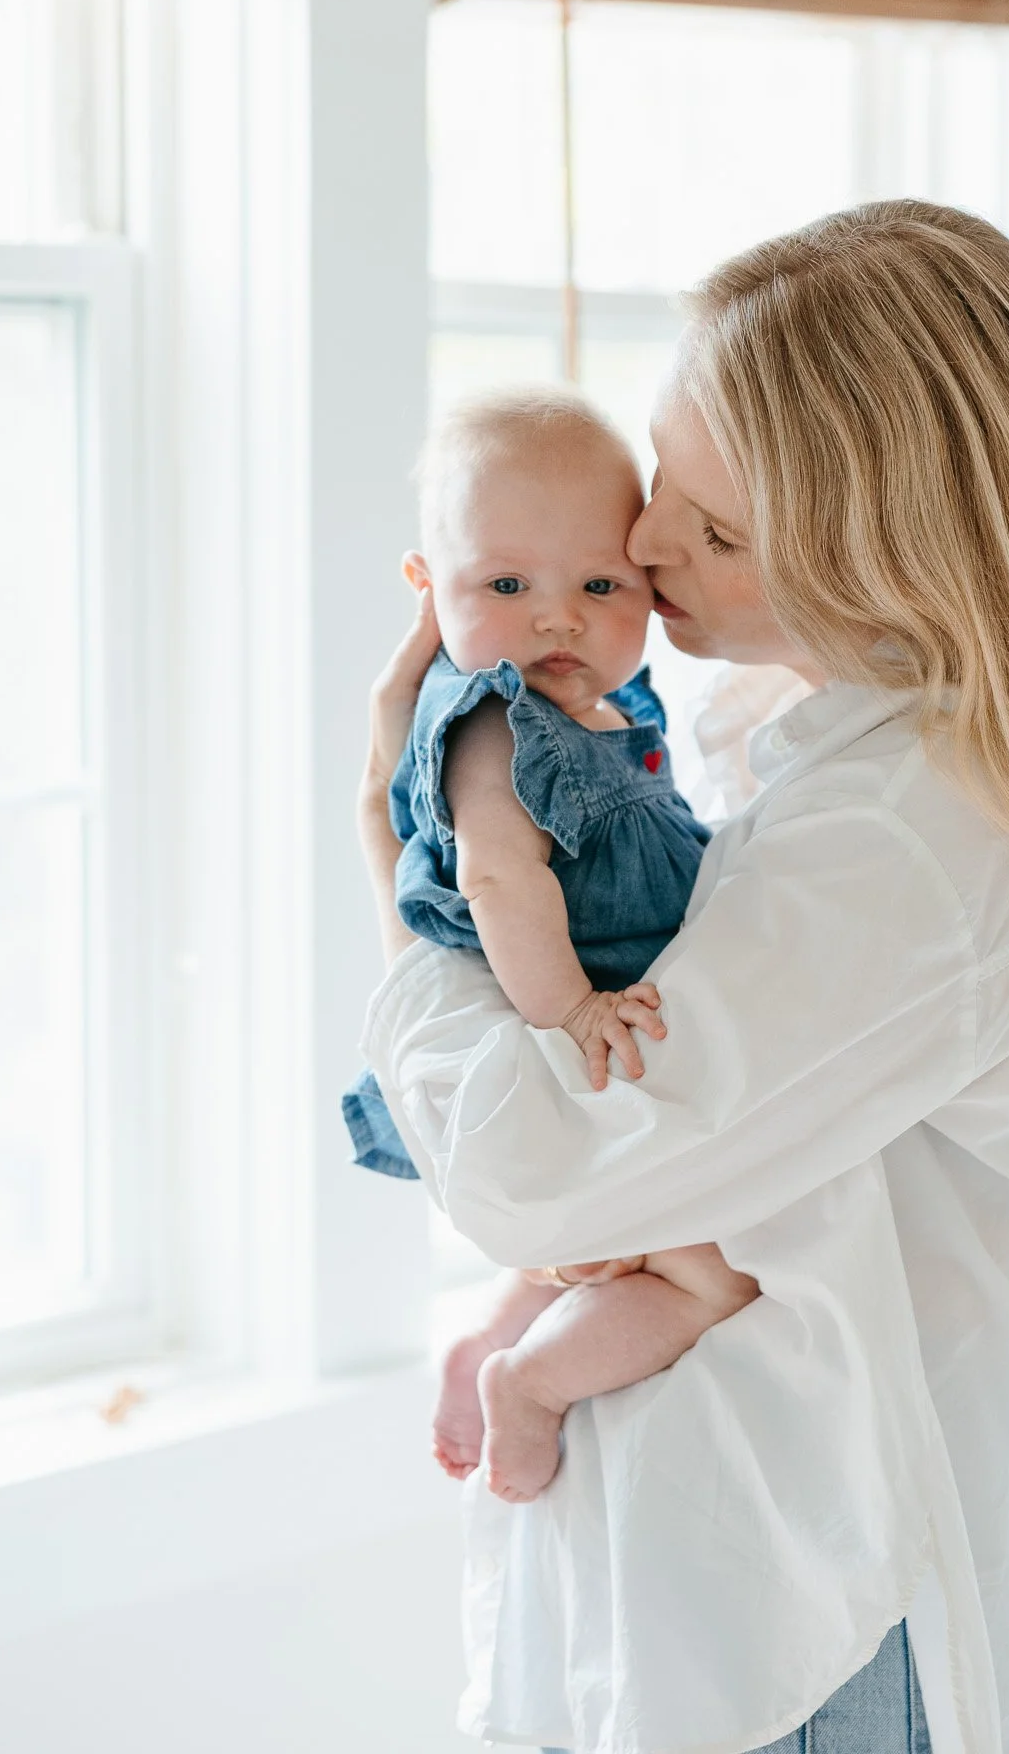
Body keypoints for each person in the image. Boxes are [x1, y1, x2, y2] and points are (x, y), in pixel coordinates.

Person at [358, 203, 1009, 1754]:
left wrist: (400, 875)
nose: (638, 550)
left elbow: (539, 1170)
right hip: (799, 1570)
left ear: (887, 542)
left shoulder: (906, 841)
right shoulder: (818, 760)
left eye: (717, 531)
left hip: (830, 1607)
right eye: (662, 484)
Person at [341, 390, 755, 1502]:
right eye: (507, 585)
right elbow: (496, 877)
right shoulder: (491, 721)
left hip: (603, 1022)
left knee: (606, 1256)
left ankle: (492, 1339)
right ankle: (530, 1382)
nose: (557, 619)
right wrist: (571, 1012)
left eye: (600, 585)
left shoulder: (619, 710)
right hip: (566, 1027)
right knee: (712, 1281)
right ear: (430, 589)